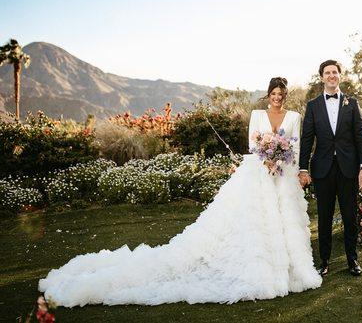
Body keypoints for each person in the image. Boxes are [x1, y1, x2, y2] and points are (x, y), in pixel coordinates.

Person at [38, 77, 322, 307]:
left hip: (282, 175)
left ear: (285, 96)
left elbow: (296, 146)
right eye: (273, 93)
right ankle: (259, 268)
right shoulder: (257, 114)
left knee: (285, 223)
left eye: (281, 94)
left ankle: (289, 269)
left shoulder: (294, 116)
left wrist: (284, 161)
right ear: (267, 94)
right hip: (259, 172)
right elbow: (252, 143)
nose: (277, 97)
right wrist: (267, 156)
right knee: (254, 222)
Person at [299, 60, 362, 277]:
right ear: (321, 77)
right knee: (324, 218)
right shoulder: (313, 106)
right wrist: (303, 169)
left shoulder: (352, 103)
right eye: (327, 72)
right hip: (323, 169)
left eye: (334, 72)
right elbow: (307, 139)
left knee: (349, 217)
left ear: (340, 76)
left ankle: (352, 260)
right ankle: (325, 261)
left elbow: (361, 137)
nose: (331, 75)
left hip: (348, 169)